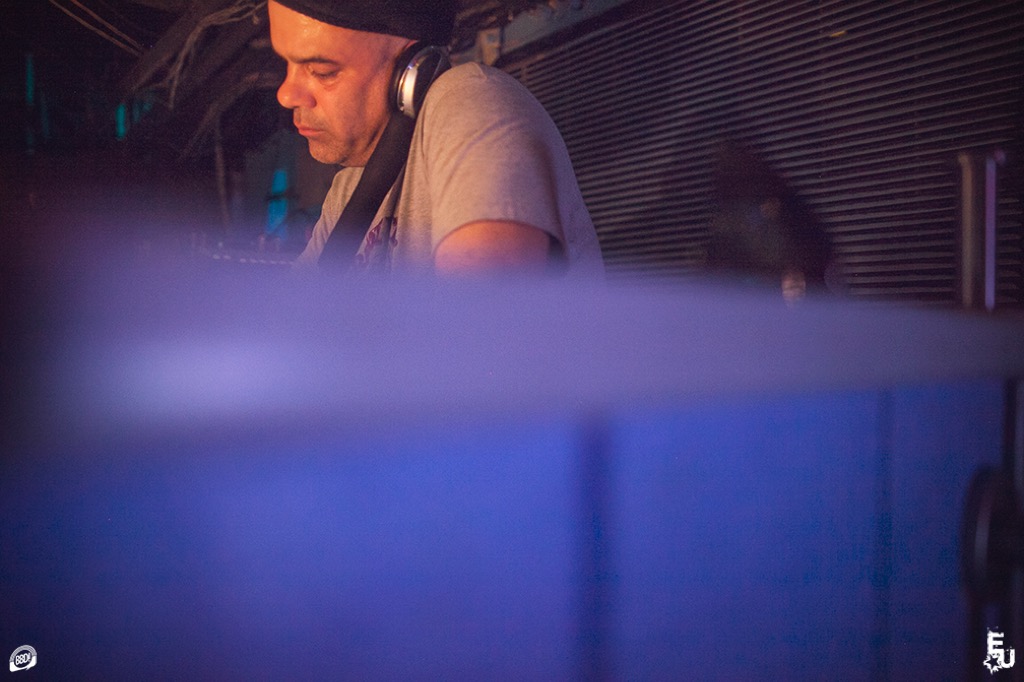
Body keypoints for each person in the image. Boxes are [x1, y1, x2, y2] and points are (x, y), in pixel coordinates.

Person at [268, 0, 604, 277]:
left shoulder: (471, 100)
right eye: (287, 64)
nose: (286, 94)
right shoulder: (346, 191)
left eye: (322, 72)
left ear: (414, 68)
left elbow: (483, 322)